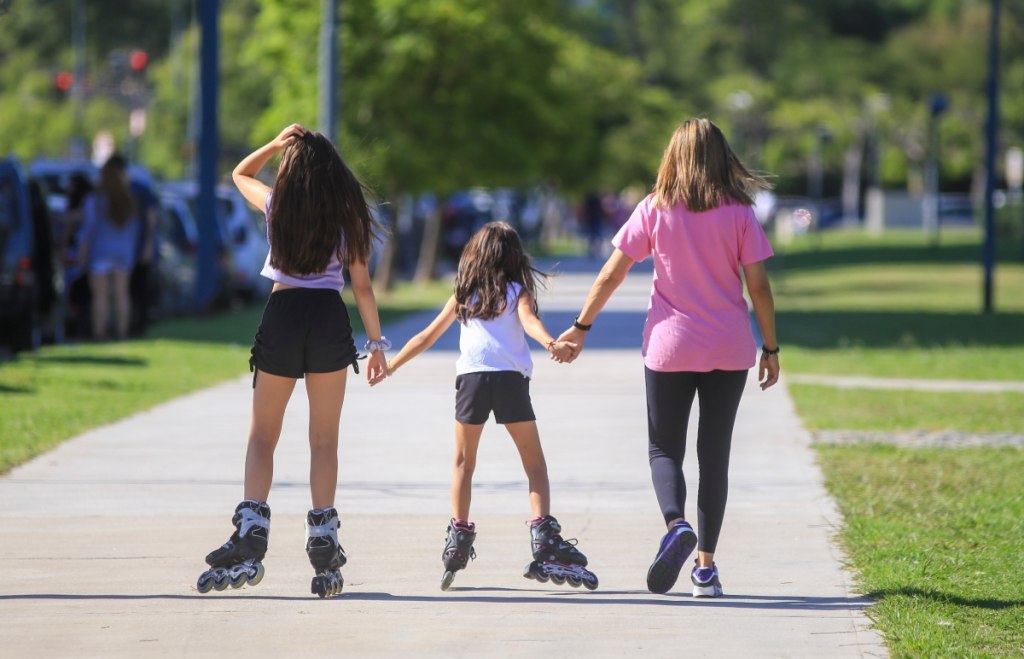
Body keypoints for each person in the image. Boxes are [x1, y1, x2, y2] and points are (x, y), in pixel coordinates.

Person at [557, 118, 780, 598]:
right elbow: (758, 286)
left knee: (664, 450)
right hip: (728, 347)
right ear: (722, 157)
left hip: (669, 347)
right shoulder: (740, 212)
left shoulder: (655, 209)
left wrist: (580, 327)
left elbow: (611, 275)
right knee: (713, 456)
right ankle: (705, 570)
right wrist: (771, 348)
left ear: (673, 156)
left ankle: (676, 524)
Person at [196, 124, 388, 599]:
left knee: (263, 435)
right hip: (327, 317)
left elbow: (239, 173)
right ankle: (323, 539)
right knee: (323, 440)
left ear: (291, 170)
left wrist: (276, 144)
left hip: (282, 315)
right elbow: (361, 286)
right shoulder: (348, 216)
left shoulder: (277, 204)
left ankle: (252, 527)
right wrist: (378, 344)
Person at [371, 221, 598, 592]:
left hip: (472, 381)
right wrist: (551, 343)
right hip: (509, 381)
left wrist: (392, 365)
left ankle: (458, 535)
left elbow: (427, 335)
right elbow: (530, 322)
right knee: (534, 463)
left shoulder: (464, 294)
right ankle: (542, 535)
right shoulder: (517, 291)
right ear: (514, 258)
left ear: (474, 255)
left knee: (463, 462)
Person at [77, 154, 141, 341]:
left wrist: (82, 252)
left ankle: (100, 334)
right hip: (123, 253)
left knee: (100, 297)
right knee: (122, 295)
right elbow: (134, 232)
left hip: (100, 252)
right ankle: (122, 334)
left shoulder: (96, 200)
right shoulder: (130, 201)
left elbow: (87, 230)